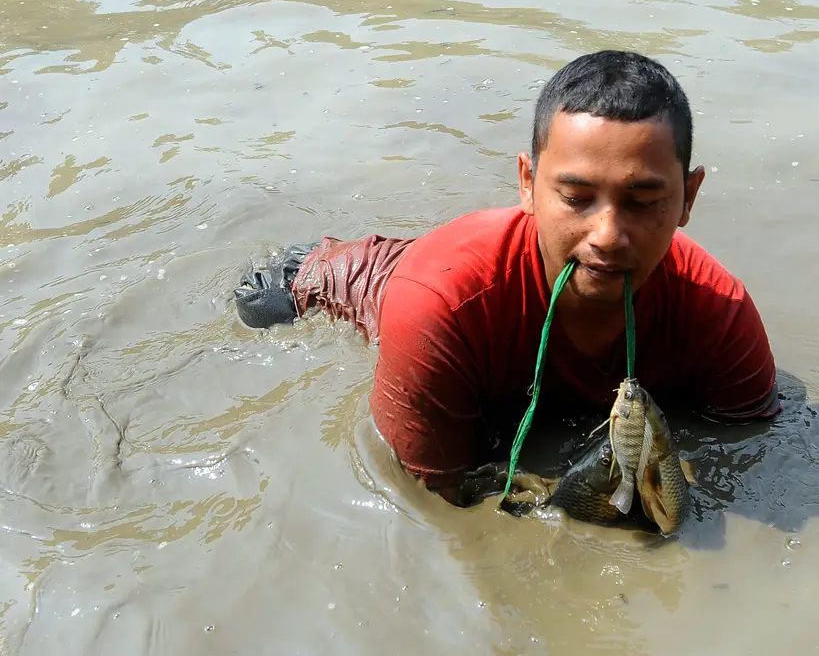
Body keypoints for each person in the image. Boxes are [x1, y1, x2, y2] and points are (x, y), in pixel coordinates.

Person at [234, 50, 782, 504]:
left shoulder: (718, 311)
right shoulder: (440, 310)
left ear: (689, 197)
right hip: (323, 281)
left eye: (643, 202)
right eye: (575, 198)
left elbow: (748, 449)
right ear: (527, 183)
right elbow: (438, 501)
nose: (609, 235)